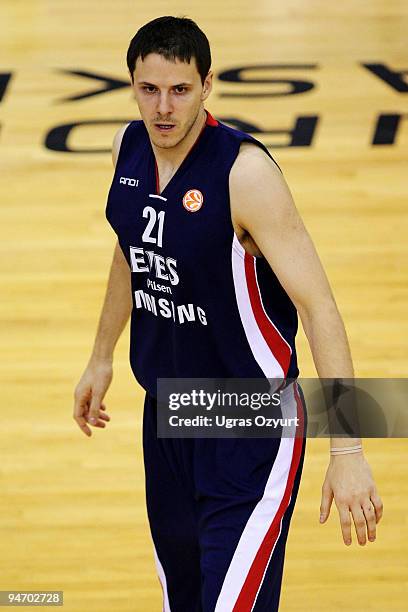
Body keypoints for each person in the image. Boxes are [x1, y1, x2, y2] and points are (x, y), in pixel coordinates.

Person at [73, 16, 383, 612]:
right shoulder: (127, 147)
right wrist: (100, 355)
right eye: (149, 89)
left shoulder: (245, 174)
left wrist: (347, 451)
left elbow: (319, 306)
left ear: (207, 85)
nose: (163, 108)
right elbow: (132, 249)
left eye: (180, 90)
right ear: (132, 84)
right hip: (168, 415)